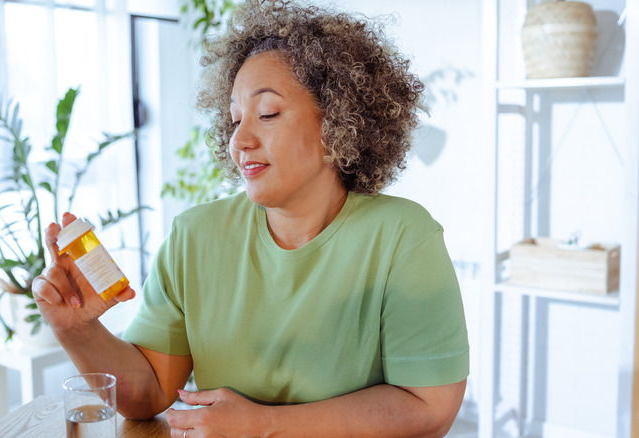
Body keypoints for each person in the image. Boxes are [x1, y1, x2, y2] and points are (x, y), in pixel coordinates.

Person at [32, 0, 469, 436]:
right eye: (235, 119)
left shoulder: (402, 237)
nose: (239, 139)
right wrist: (78, 331)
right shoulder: (195, 237)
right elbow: (147, 395)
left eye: (268, 114)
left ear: (336, 124)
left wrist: (266, 424)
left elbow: (430, 408)